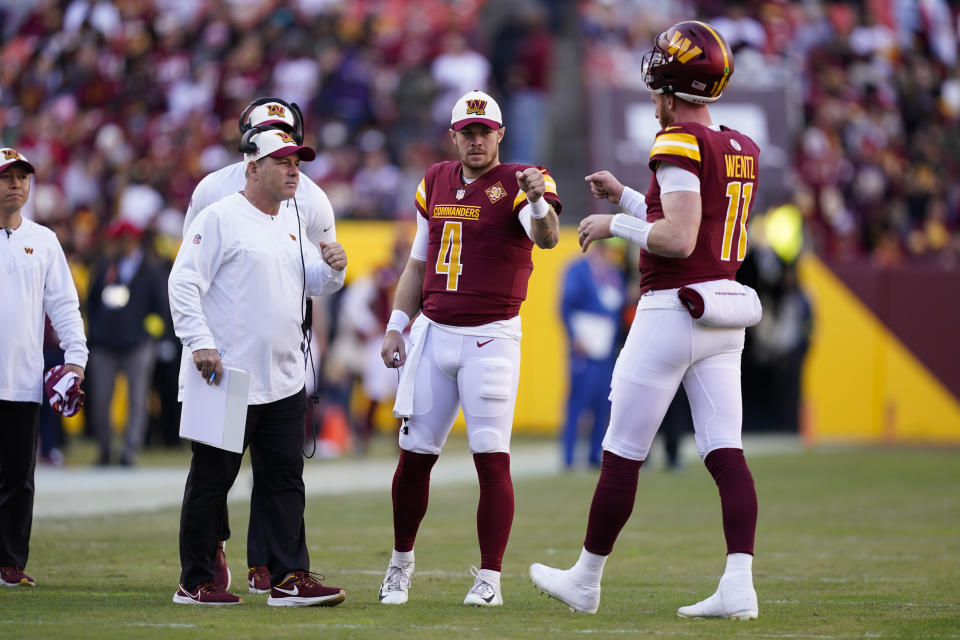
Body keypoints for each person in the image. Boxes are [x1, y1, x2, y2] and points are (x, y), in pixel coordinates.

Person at [529, 21, 762, 619]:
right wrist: (628, 197)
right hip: (723, 312)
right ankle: (739, 585)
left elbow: (678, 239)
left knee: (622, 453)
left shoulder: (678, 142)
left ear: (667, 88)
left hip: (671, 309)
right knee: (725, 450)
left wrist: (613, 224)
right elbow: (696, 220)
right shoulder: (739, 146)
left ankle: (585, 580)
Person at [377, 90, 561, 607]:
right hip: (433, 332)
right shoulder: (434, 179)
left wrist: (540, 200)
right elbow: (418, 261)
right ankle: (399, 566)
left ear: (500, 134)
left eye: (485, 131)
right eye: (468, 131)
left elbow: (546, 239)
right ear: (454, 135)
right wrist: (397, 323)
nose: (476, 140)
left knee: (491, 460)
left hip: (491, 338)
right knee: (413, 458)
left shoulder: (524, 179)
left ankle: (489, 579)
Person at [168, 129, 347, 606]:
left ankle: (289, 577)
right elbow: (183, 282)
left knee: (285, 481)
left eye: (298, 163)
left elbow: (316, 284)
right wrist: (199, 342)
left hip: (284, 378)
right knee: (211, 480)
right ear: (253, 168)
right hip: (224, 376)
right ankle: (196, 580)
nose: (294, 171)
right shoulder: (220, 217)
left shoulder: (291, 221)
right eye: (283, 162)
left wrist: (333, 266)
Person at [0, 147, 88, 587]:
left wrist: (76, 359)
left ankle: (10, 563)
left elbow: (65, 306)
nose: (16, 183)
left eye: (22, 176)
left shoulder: (44, 240)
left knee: (18, 476)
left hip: (20, 380)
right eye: (6, 177)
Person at [85, 219, 168, 467]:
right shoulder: (106, 266)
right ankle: (105, 449)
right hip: (105, 345)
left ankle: (129, 451)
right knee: (100, 400)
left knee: (137, 400)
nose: (118, 244)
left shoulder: (151, 269)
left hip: (137, 346)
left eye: (122, 239)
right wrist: (97, 331)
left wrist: (149, 337)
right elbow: (92, 302)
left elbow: (161, 308)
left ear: (133, 240)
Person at [559, 238, 626, 469]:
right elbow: (566, 305)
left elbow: (616, 309)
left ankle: (594, 454)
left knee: (602, 402)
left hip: (605, 347)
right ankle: (568, 456)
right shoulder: (578, 270)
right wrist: (574, 336)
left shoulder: (613, 273)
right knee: (578, 400)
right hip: (584, 345)